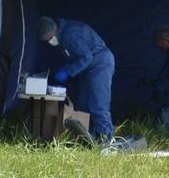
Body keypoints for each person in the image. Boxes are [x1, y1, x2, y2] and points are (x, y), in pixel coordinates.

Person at [37, 16, 115, 144]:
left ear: (54, 30)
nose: (50, 42)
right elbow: (77, 57)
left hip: (100, 65)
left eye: (50, 38)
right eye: (47, 40)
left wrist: (67, 71)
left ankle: (106, 142)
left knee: (98, 105)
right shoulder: (62, 35)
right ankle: (89, 139)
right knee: (83, 104)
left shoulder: (69, 34)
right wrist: (66, 69)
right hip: (89, 69)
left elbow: (86, 57)